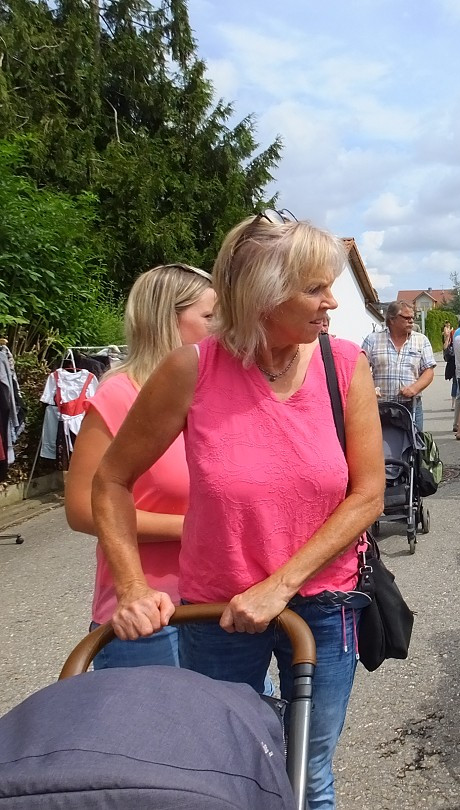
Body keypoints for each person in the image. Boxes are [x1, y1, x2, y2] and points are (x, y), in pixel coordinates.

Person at [92, 211, 385, 810]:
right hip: (218, 608)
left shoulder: (344, 365)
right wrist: (130, 588)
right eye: (315, 288)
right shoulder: (192, 368)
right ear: (264, 295)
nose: (332, 300)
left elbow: (368, 495)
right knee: (224, 766)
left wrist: (280, 585)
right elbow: (110, 481)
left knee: (309, 771)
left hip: (325, 602)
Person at [66, 264, 215, 669]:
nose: (220, 328)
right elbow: (82, 509)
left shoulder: (214, 397)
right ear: (169, 319)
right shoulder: (119, 395)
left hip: (218, 598)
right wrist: (189, 528)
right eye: (209, 317)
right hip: (146, 612)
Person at [362, 301, 436, 431]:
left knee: (415, 447)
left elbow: (428, 371)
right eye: (406, 318)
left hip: (411, 406)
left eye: (413, 317)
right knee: (379, 447)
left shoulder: (421, 340)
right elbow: (360, 370)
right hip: (380, 407)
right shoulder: (372, 340)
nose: (411, 321)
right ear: (392, 320)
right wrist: (369, 389)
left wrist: (415, 388)